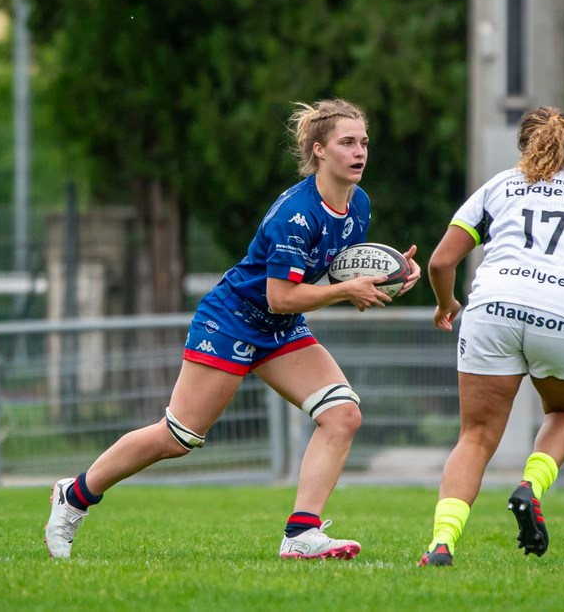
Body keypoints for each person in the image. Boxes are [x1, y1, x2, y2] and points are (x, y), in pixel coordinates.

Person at [44, 98, 420, 561]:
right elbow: (280, 295)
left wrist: (393, 275)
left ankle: (301, 533)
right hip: (230, 321)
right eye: (347, 142)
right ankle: (74, 495)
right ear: (319, 150)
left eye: (363, 141)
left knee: (342, 414)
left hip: (280, 329)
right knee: (177, 438)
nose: (359, 151)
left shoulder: (358, 205)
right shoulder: (295, 215)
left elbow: (331, 274)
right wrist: (347, 293)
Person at [418, 106, 564, 566]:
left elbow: (441, 263)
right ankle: (531, 485)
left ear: (523, 144)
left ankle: (442, 543)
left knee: (476, 436)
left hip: (493, 308)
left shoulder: (497, 186)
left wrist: (446, 304)